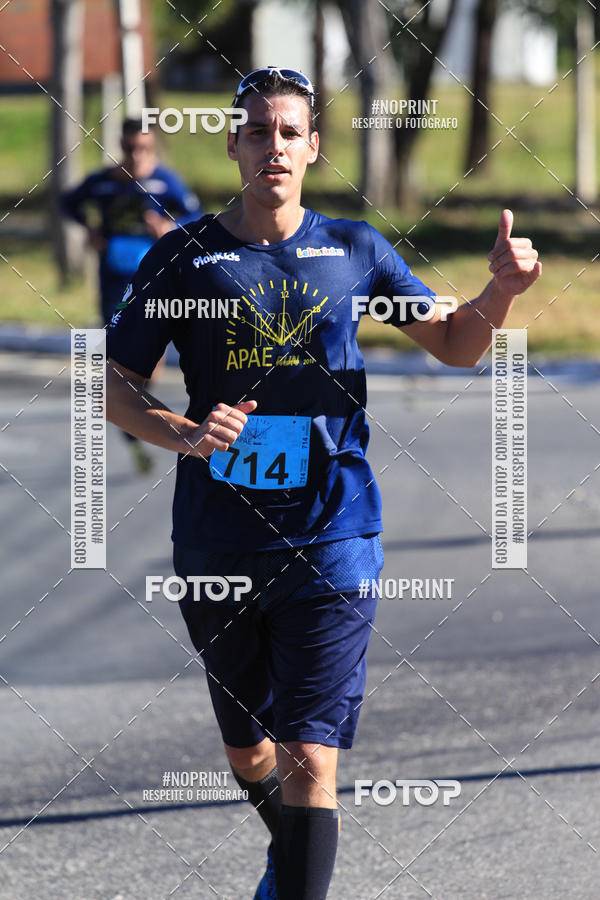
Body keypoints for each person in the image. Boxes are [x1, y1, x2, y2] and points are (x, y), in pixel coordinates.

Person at [105, 67, 541, 899]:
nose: (273, 146)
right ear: (233, 144)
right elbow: (116, 383)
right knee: (249, 751)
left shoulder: (355, 250)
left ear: (313, 149)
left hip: (334, 535)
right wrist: (186, 434)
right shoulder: (185, 258)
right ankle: (295, 862)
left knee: (312, 755)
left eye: (289, 132)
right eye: (258, 131)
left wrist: (500, 293)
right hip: (218, 538)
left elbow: (455, 343)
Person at [63, 117, 202, 473]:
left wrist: (169, 228)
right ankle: (132, 431)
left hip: (152, 284)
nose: (136, 155)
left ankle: (137, 421)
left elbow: (196, 216)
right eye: (129, 148)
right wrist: (91, 231)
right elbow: (69, 202)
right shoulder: (106, 182)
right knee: (116, 368)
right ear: (120, 146)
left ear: (153, 147)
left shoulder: (165, 181)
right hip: (113, 283)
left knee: (143, 373)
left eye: (143, 148)